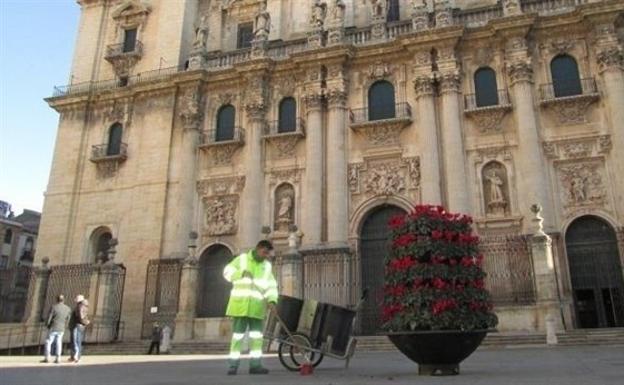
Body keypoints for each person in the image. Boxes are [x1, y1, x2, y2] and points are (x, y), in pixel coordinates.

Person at [223, 240, 278, 375]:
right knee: (237, 337)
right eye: (264, 252)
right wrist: (240, 274)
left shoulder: (267, 267)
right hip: (240, 306)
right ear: (258, 249)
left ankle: (255, 365)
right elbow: (226, 273)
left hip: (257, 307)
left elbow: (271, 286)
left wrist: (272, 300)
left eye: (268, 253)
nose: (266, 255)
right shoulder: (241, 260)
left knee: (257, 338)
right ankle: (233, 365)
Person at [42, 294, 72, 364]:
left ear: (57, 299)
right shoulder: (67, 308)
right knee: (59, 342)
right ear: (64, 300)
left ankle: (47, 357)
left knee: (48, 342)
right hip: (61, 328)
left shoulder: (54, 307)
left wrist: (47, 325)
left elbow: (49, 318)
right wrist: (65, 326)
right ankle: (58, 358)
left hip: (53, 327)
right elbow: (68, 319)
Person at [68, 294, 90, 363]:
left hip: (77, 325)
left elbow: (80, 316)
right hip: (81, 325)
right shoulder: (85, 306)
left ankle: (75, 356)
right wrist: (85, 322)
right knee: (78, 341)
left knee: (75, 341)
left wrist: (82, 322)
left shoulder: (80, 306)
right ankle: (76, 356)